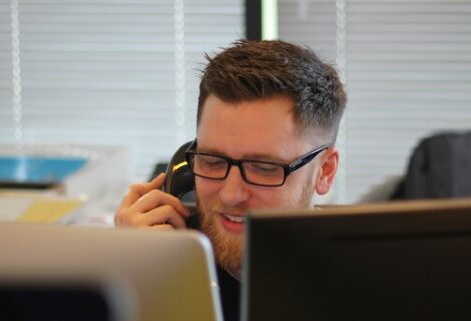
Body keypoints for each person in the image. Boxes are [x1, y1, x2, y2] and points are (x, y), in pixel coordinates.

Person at [115, 39, 346, 321]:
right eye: (213, 161)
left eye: (263, 167)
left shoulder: (367, 285)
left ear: (325, 172)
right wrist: (131, 278)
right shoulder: (158, 262)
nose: (230, 195)